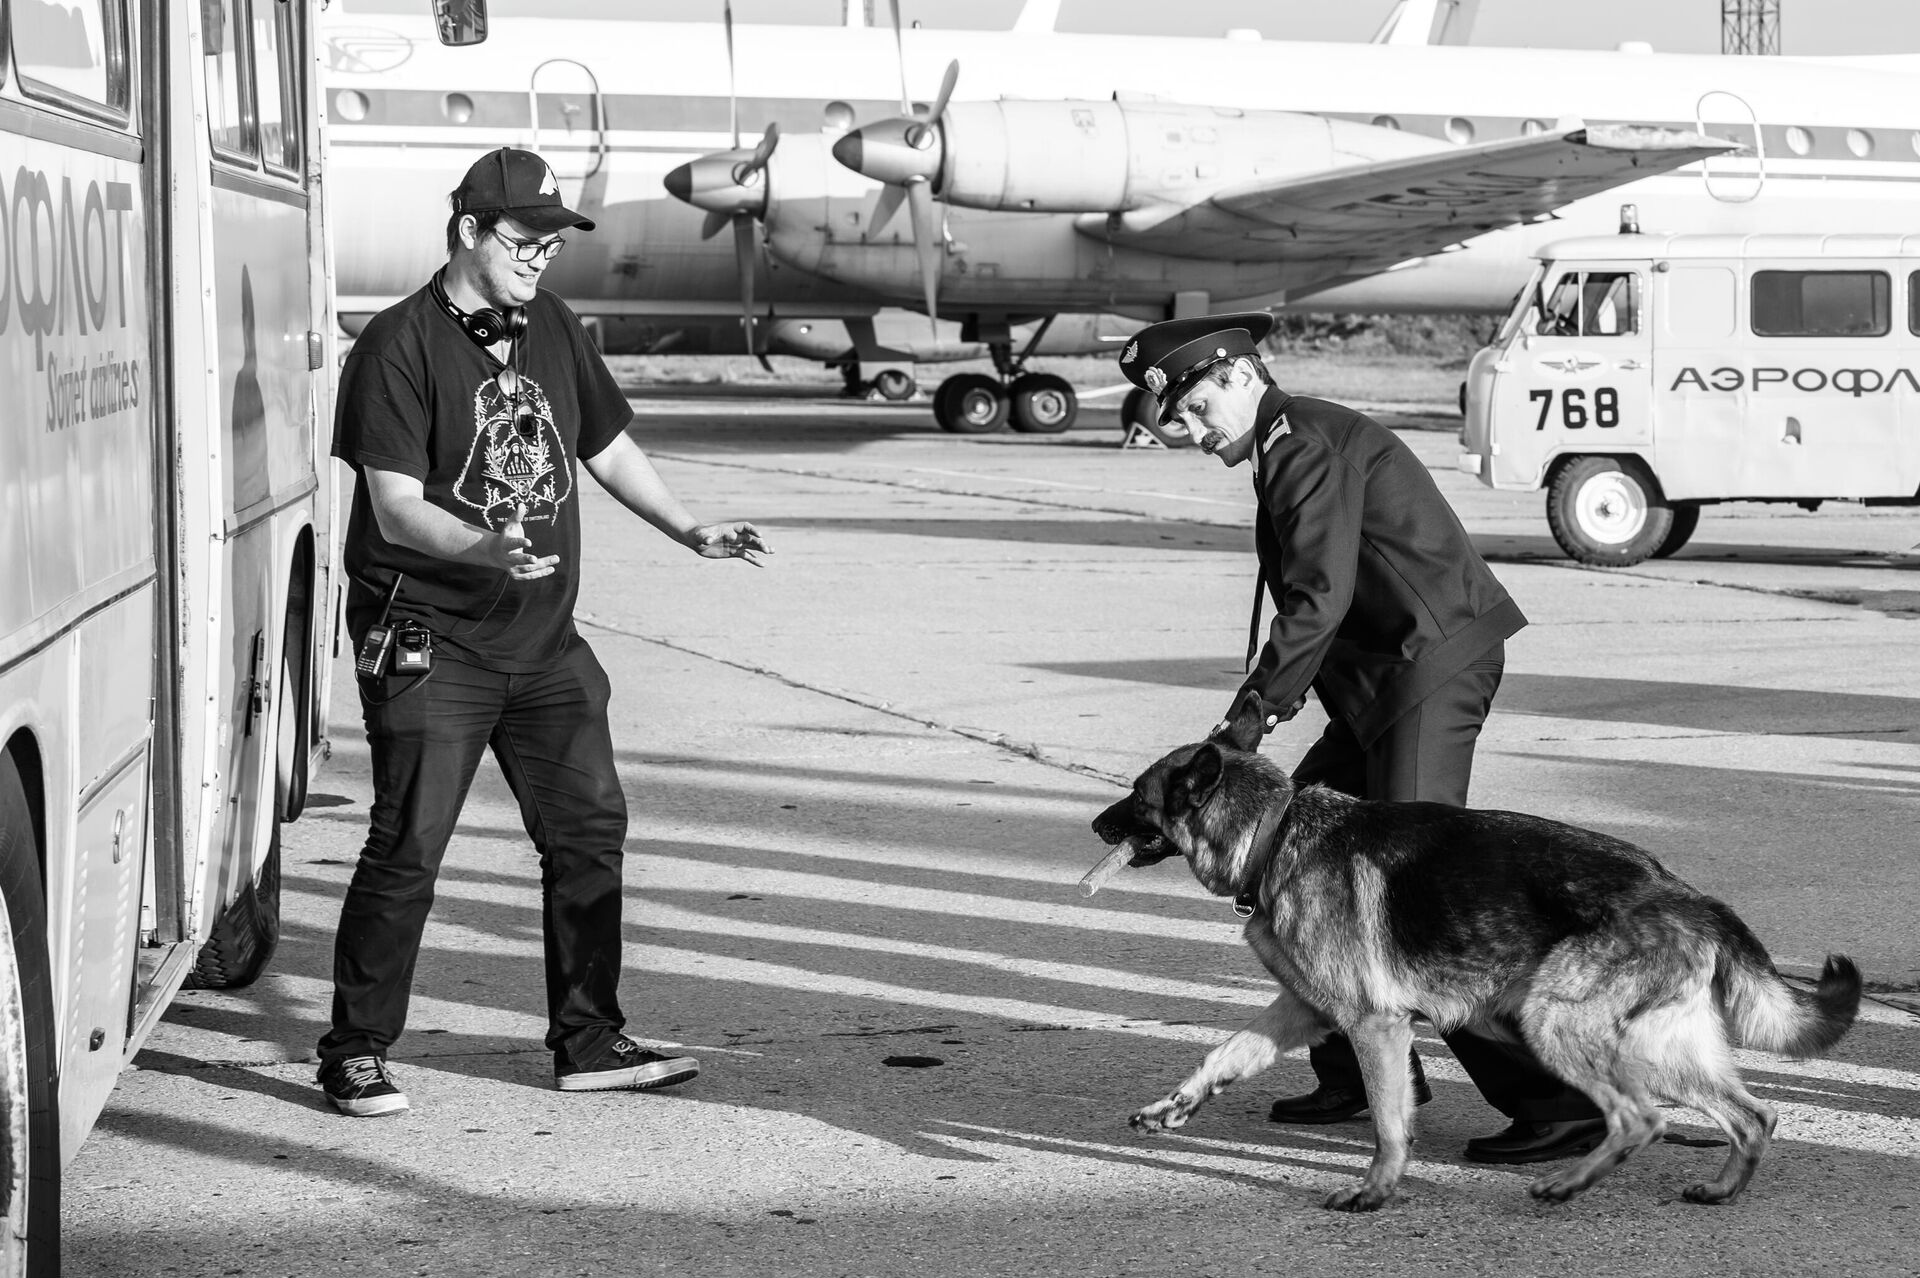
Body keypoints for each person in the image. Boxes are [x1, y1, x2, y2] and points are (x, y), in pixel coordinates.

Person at [318, 147, 770, 1117]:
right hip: (432, 638)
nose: (542, 258)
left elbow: (604, 445)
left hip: (544, 644)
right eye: (527, 241)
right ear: (471, 232)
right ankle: (354, 1048)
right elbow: (396, 508)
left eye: (554, 243)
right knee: (409, 844)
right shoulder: (397, 346)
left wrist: (691, 528)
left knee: (589, 830)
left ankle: (589, 1039)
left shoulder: (551, 326)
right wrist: (485, 547)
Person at [1115, 313, 1607, 1165]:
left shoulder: (1305, 446)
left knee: (1420, 892)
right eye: (1179, 421)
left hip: (1426, 668)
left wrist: (1254, 711)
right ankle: (1356, 1069)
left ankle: (1560, 1105)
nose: (1191, 434)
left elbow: (1318, 598)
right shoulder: (1284, 443)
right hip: (1383, 682)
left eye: (1195, 410)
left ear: (1238, 376)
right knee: (1284, 854)